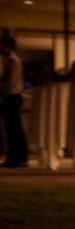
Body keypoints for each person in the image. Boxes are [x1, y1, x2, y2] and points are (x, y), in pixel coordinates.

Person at [1, 34, 27, 168]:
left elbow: (9, 82)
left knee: (13, 128)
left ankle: (17, 157)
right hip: (11, 96)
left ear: (7, 46)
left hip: (12, 96)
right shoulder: (8, 60)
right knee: (13, 128)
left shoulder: (12, 60)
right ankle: (18, 157)